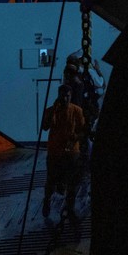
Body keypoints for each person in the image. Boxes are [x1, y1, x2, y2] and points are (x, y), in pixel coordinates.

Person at [41, 84, 85, 221]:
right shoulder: (51, 111)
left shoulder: (77, 111)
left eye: (67, 96)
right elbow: (45, 127)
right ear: (59, 96)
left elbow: (83, 130)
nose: (65, 98)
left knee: (72, 182)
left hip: (71, 151)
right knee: (51, 181)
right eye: (63, 96)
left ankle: (70, 208)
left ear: (70, 96)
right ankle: (47, 200)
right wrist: (54, 110)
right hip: (55, 151)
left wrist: (76, 138)